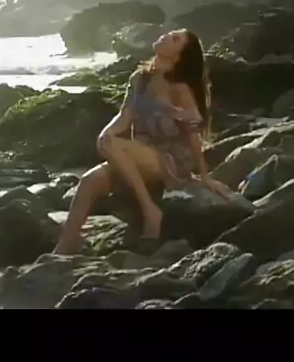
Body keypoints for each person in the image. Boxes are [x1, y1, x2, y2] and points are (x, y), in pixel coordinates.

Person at [54, 28, 231, 255]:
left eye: (175, 39)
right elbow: (124, 117)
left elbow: (193, 132)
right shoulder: (139, 79)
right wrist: (107, 132)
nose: (166, 36)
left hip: (171, 159)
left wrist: (204, 175)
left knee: (112, 144)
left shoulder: (179, 88)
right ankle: (64, 246)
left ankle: (150, 210)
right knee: (89, 179)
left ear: (179, 56)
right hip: (140, 154)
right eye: (170, 33)